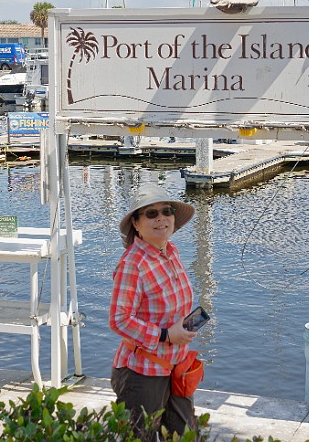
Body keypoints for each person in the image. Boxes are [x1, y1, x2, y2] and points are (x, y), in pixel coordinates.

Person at [110, 184, 199, 440]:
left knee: (184, 435)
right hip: (142, 371)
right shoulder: (132, 264)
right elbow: (119, 321)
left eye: (166, 211)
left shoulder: (171, 253)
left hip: (177, 366)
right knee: (140, 436)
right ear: (136, 224)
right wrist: (164, 335)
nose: (161, 218)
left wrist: (181, 329)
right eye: (151, 214)